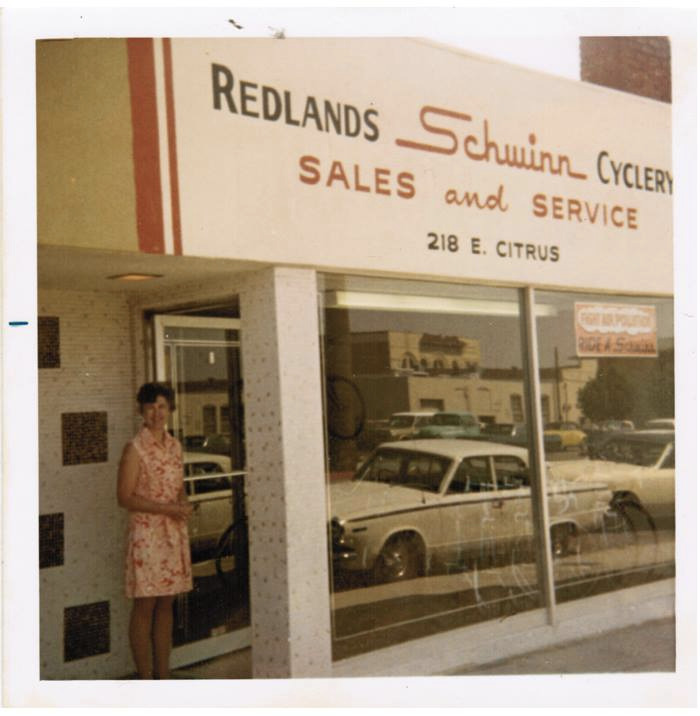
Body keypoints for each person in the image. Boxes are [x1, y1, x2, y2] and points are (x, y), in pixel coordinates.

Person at [117, 382, 193, 679]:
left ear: (170, 409)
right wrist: (167, 509)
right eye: (150, 407)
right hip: (147, 537)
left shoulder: (175, 446)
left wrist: (182, 503)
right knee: (145, 605)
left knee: (166, 604)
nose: (156, 413)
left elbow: (178, 486)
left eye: (161, 406)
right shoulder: (135, 448)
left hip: (172, 534)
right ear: (142, 411)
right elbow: (124, 497)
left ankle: (163, 676)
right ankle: (145, 680)